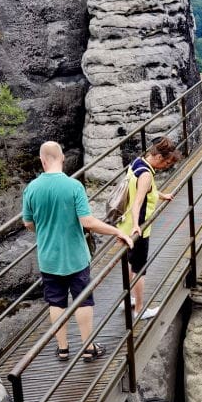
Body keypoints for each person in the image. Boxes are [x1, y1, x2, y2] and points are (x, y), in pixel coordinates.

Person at [22, 141, 132, 361]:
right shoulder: (74, 187)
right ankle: (88, 347)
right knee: (83, 300)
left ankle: (63, 349)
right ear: (62, 158)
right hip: (75, 257)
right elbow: (88, 221)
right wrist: (117, 232)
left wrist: (44, 230)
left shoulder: (31, 188)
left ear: (42, 160)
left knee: (56, 302)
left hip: (49, 257)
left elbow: (28, 223)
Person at [117, 136, 181, 321]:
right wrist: (138, 226)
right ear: (160, 158)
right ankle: (139, 309)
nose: (167, 166)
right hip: (138, 228)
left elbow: (144, 190)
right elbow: (138, 202)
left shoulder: (138, 163)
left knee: (132, 263)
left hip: (126, 223)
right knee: (140, 268)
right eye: (167, 162)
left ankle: (127, 298)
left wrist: (162, 195)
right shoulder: (146, 174)